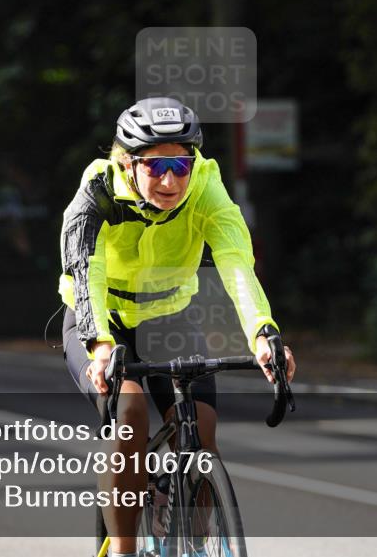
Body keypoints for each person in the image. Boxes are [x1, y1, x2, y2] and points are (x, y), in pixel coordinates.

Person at [59, 97, 296, 557]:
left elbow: (236, 264)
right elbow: (86, 273)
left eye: (180, 165)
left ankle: (197, 543)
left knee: (202, 430)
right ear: (127, 164)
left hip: (169, 314)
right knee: (128, 415)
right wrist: (101, 346)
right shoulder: (97, 192)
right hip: (101, 318)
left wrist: (263, 333)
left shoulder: (206, 188)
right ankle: (125, 550)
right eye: (155, 166)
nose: (170, 180)